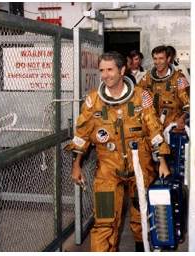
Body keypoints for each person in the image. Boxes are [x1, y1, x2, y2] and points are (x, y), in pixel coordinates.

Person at [66, 51, 170, 252]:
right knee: (104, 221)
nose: (105, 75)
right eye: (102, 70)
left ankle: (143, 248)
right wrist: (76, 164)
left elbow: (154, 128)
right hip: (108, 169)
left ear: (122, 70)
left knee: (142, 216)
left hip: (140, 165)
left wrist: (162, 160)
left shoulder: (141, 96)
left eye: (110, 69)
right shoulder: (93, 100)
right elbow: (82, 134)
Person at [136, 45, 191, 133]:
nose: (157, 62)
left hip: (172, 126)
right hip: (152, 126)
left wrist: (182, 119)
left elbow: (188, 104)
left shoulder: (178, 78)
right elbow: (136, 95)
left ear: (168, 59)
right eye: (155, 58)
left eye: (161, 58)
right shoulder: (147, 78)